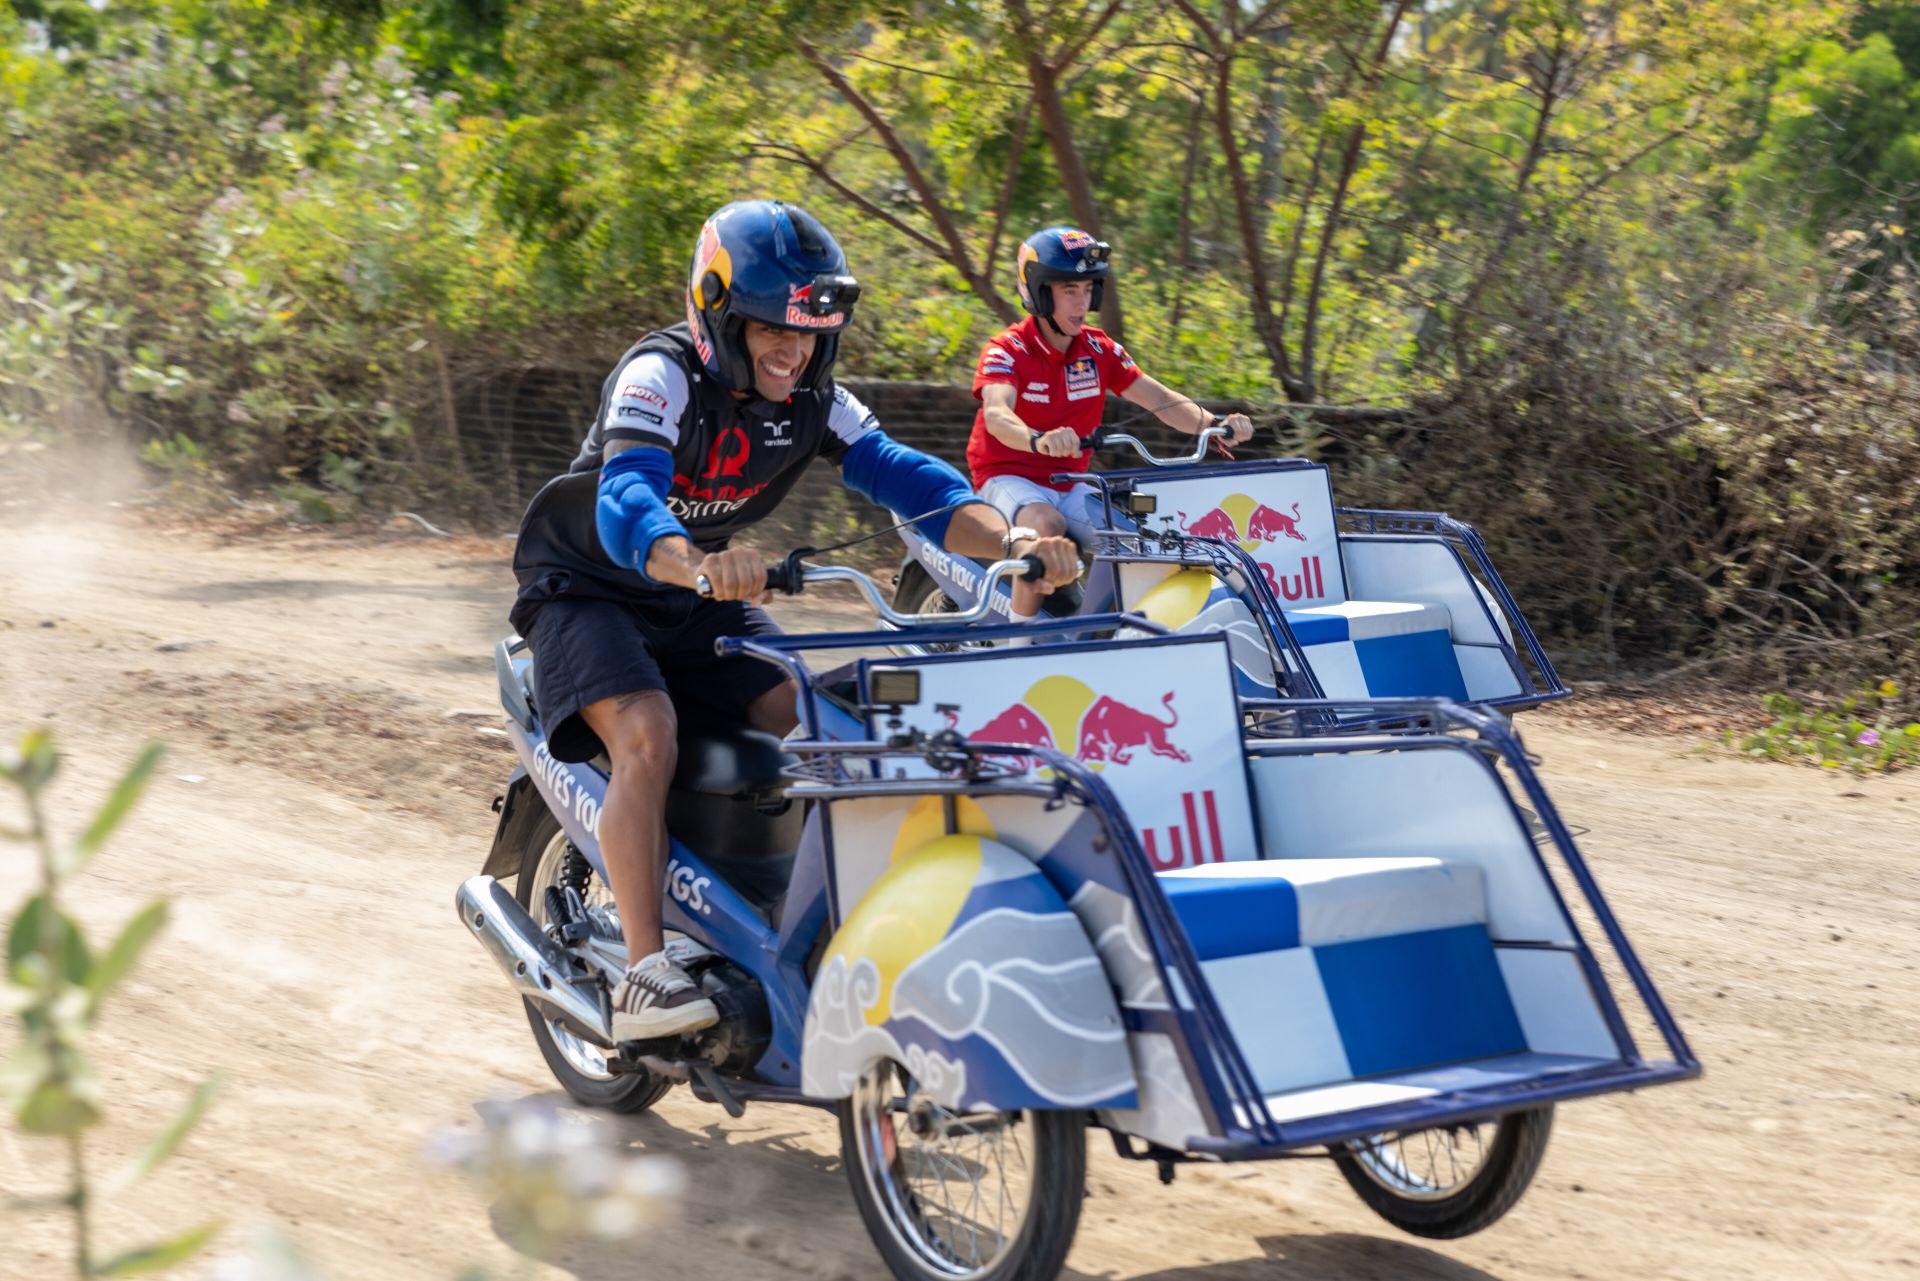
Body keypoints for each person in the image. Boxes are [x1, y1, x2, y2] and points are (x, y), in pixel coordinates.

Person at [509, 200, 1078, 1041]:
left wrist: (1017, 537)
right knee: (648, 733)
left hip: (694, 595)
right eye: (770, 328)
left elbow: (915, 483)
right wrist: (693, 558)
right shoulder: (658, 376)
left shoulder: (818, 399)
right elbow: (627, 497)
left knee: (819, 716)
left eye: (809, 332)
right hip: (589, 588)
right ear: (716, 314)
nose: (792, 349)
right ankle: (645, 971)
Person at [965, 226, 1254, 620]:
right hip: (1007, 476)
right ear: (1039, 291)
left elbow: (1161, 400)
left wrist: (1214, 423)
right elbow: (997, 415)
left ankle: (1108, 634)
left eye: (1088, 290)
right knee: (1046, 525)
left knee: (1136, 540)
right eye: (1070, 291)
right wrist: (1039, 439)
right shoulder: (1007, 350)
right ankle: (1017, 642)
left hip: (1070, 482)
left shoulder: (1099, 350)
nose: (1081, 302)